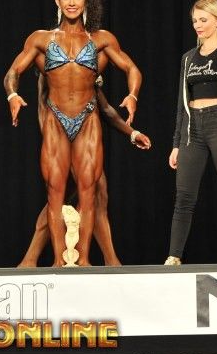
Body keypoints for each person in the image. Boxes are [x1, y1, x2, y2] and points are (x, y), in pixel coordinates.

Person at [4, 0, 141, 267]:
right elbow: (13, 72)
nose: (71, 3)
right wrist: (12, 95)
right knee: (55, 193)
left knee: (89, 194)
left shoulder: (101, 40)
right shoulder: (41, 39)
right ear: (57, 1)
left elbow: (131, 68)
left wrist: (132, 95)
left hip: (87, 119)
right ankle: (57, 261)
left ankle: (84, 261)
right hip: (55, 119)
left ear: (86, 2)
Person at [17, 56, 152, 268]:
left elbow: (105, 109)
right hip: (61, 144)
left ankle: (32, 259)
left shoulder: (84, 75)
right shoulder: (50, 74)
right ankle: (104, 261)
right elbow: (44, 110)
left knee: (94, 197)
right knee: (81, 197)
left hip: (84, 143)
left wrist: (132, 133)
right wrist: (57, 148)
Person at [165, 0, 217, 266]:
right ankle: (174, 256)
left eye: (203, 20)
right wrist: (176, 143)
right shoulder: (188, 58)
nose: (198, 25)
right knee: (184, 198)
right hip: (192, 129)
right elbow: (182, 103)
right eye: (195, 21)